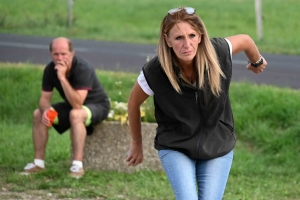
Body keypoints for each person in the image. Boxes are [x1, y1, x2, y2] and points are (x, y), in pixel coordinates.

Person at [126, 6, 267, 200]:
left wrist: (257, 61)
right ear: (167, 40)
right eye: (178, 38)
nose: (187, 44)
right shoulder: (154, 72)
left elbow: (245, 40)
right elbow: (133, 103)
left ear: (200, 36)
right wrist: (136, 143)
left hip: (217, 141)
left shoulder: (217, 51)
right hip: (176, 145)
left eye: (192, 36)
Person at [21, 37, 110, 178]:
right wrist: (46, 110)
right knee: (38, 114)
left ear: (72, 54)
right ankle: (38, 164)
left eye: (64, 54)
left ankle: (77, 166)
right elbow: (44, 99)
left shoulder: (83, 68)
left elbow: (77, 104)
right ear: (51, 54)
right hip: (72, 106)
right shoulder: (50, 70)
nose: (60, 58)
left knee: (76, 114)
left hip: (97, 105)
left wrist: (62, 78)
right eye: (56, 54)